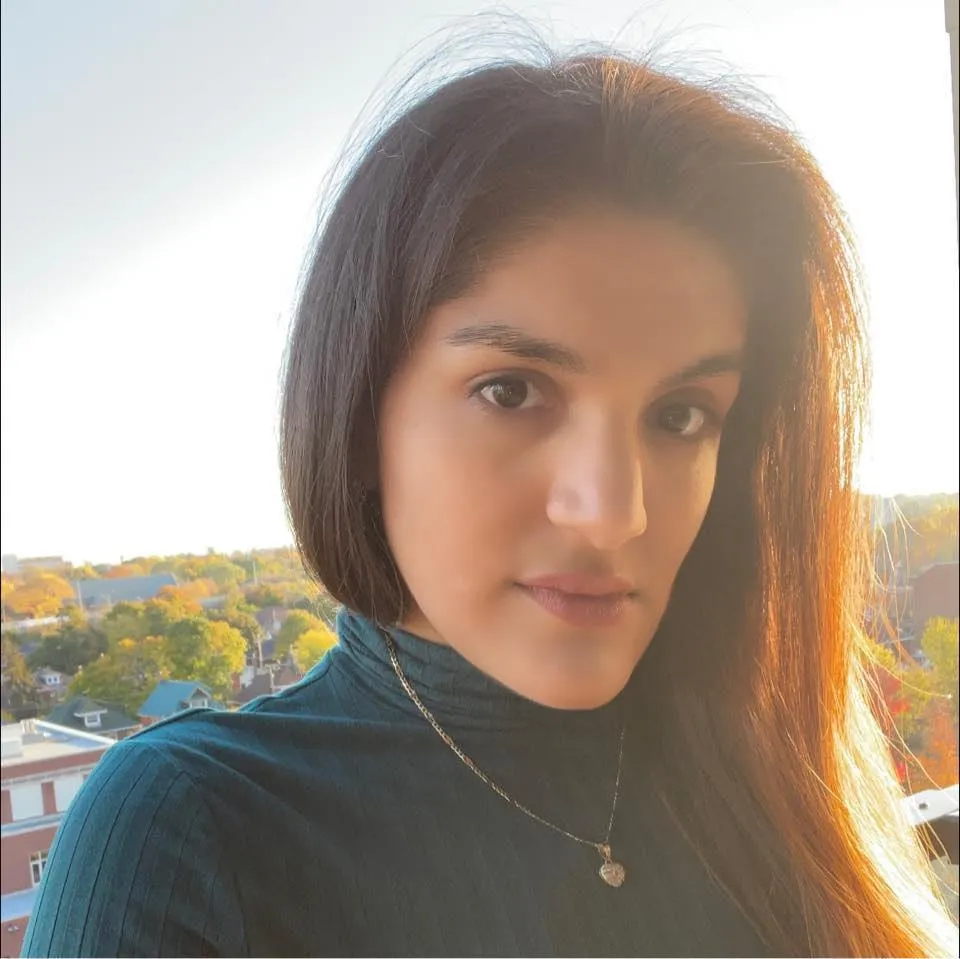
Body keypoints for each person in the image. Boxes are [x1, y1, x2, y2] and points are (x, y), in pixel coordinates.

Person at [23, 44, 957, 959]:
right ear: (358, 412)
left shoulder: (770, 753)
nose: (613, 513)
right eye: (512, 390)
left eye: (680, 414)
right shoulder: (190, 831)